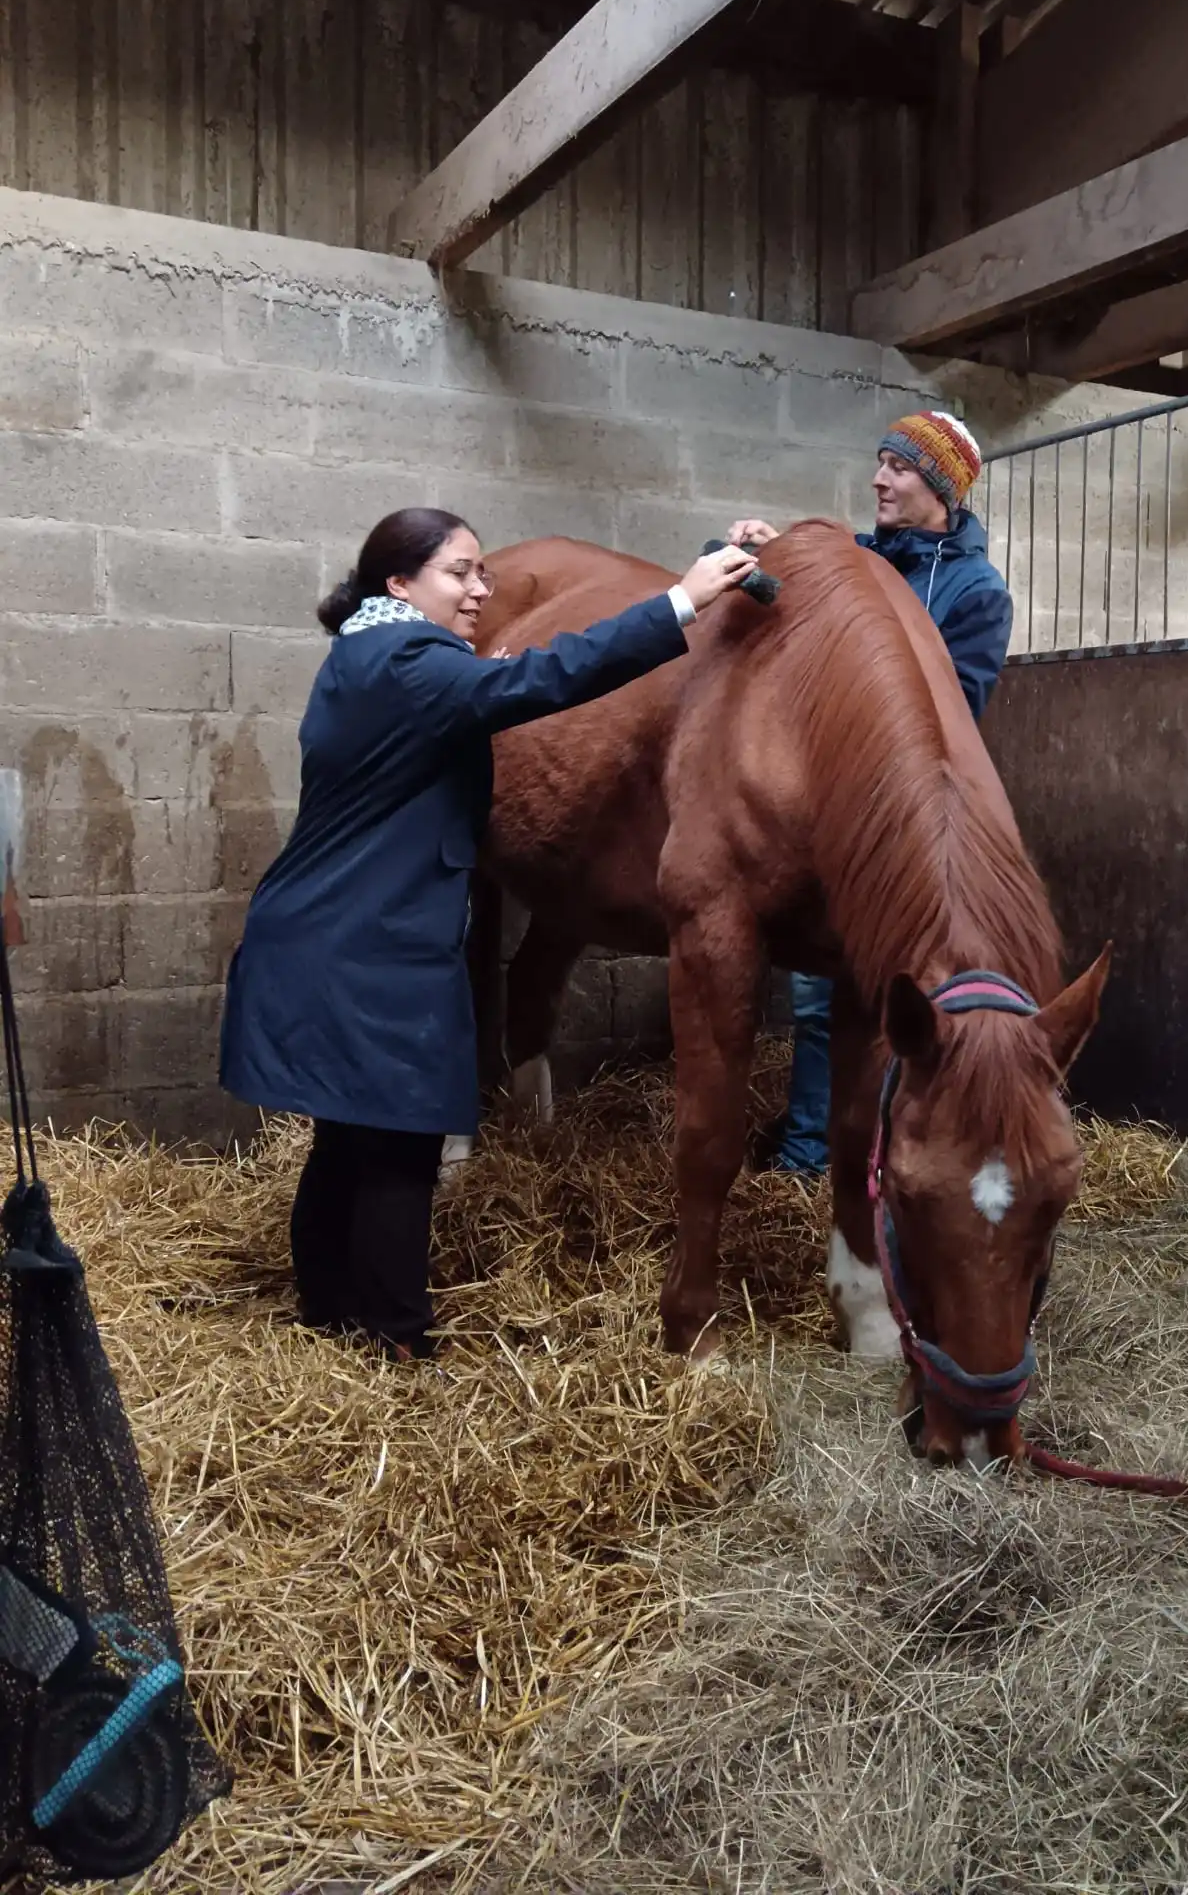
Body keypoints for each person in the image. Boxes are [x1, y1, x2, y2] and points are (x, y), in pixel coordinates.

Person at [219, 507, 757, 1359]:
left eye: (480, 574)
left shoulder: (375, 651)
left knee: (348, 1134)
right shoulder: (406, 662)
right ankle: (398, 1340)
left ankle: (327, 1311)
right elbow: (547, 679)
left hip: (333, 931)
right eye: (459, 573)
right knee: (402, 1136)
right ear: (400, 585)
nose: (479, 588)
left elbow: (475, 692)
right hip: (365, 944)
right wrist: (681, 602)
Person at [729, 410, 1013, 1176]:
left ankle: (872, 1152)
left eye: (900, 466)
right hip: (822, 813)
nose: (880, 479)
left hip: (905, 829)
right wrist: (762, 553)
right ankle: (808, 1151)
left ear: (943, 488)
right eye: (880, 461)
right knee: (817, 997)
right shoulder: (856, 558)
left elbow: (959, 712)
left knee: (878, 998)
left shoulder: (974, 592)